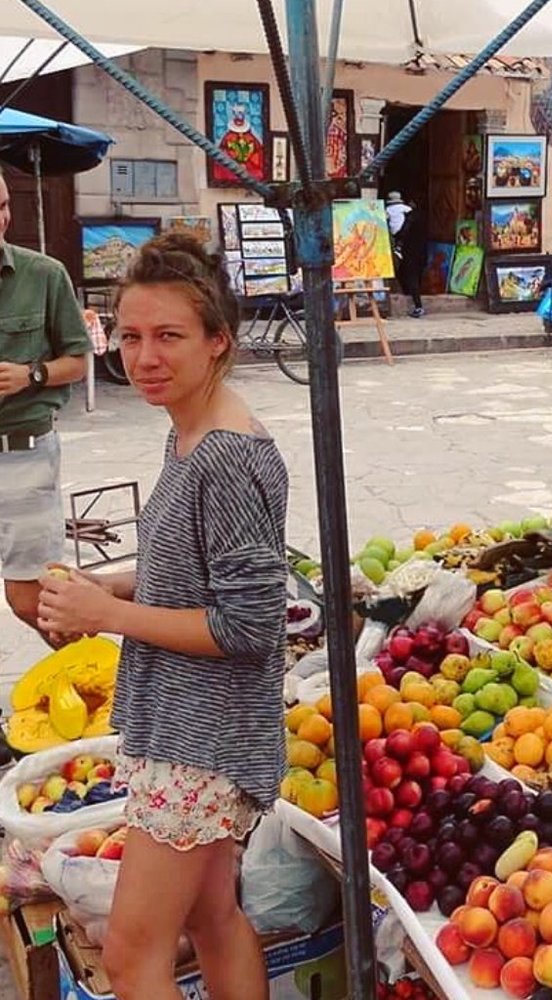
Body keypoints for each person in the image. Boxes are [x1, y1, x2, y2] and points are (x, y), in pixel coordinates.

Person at [37, 233, 288, 1000]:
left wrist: (110, 615)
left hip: (201, 741)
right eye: (132, 335)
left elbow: (250, 626)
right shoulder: (188, 431)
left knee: (130, 955)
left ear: (219, 340)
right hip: (189, 729)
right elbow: (190, 574)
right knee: (213, 917)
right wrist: (104, 587)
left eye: (169, 336)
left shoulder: (227, 457)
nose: (144, 357)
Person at [0, 165, 90, 639]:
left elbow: (78, 360)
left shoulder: (44, 274)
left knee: (34, 601)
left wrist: (30, 375)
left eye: (3, 206)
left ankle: (102, 687)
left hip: (23, 455)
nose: (1, 220)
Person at [387, 193, 426, 318]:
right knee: (413, 275)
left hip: (404, 249)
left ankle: (417, 305)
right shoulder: (411, 213)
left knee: (406, 274)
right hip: (417, 249)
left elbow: (398, 232)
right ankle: (416, 303)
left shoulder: (388, 211)